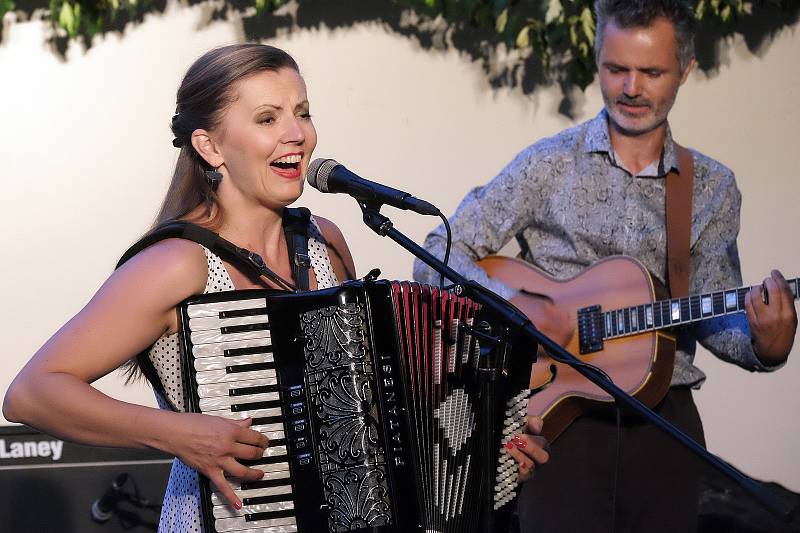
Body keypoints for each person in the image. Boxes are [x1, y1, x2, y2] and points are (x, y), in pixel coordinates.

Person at [413, 1, 798, 531]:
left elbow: (713, 310)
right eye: (616, 69)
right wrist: (513, 313)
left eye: (652, 71)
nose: (631, 87)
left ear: (685, 69)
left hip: (665, 418)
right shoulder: (547, 164)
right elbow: (438, 250)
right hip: (555, 419)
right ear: (598, 61)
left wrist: (764, 344)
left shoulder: (710, 186)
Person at [3, 44, 356, 531]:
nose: (296, 135)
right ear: (210, 146)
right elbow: (31, 393)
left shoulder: (324, 242)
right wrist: (178, 434)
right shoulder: (177, 264)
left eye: (302, 113)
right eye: (267, 119)